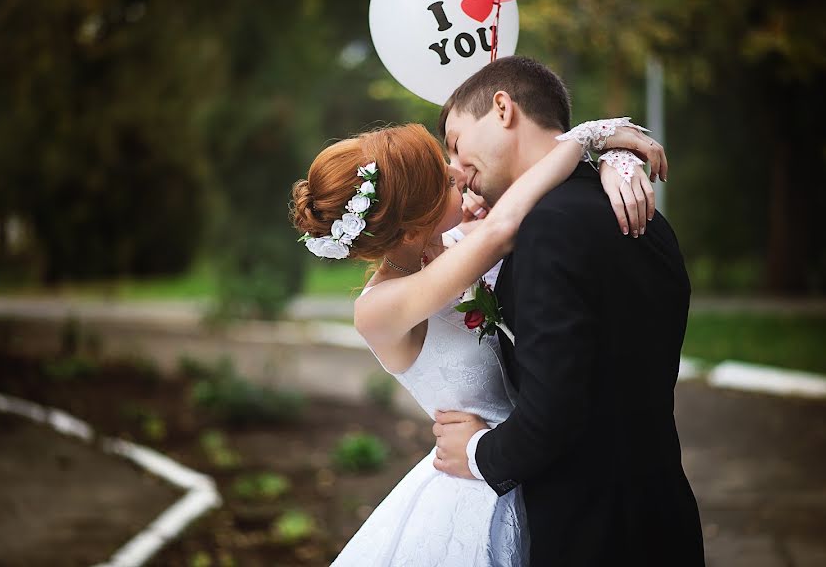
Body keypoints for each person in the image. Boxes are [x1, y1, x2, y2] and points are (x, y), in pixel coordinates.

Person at [290, 94, 666, 564]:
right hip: (477, 485)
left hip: (532, 464)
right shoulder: (381, 308)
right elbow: (505, 227)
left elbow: (533, 201)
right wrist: (588, 135)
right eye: (443, 180)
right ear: (409, 232)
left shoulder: (452, 243)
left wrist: (612, 162)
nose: (457, 172)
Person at [432, 56, 705, 566]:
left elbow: (555, 412)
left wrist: (476, 453)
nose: (455, 167)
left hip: (592, 533)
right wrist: (606, 151)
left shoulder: (546, 230)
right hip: (666, 513)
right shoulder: (644, 214)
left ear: (502, 108)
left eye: (455, 142)